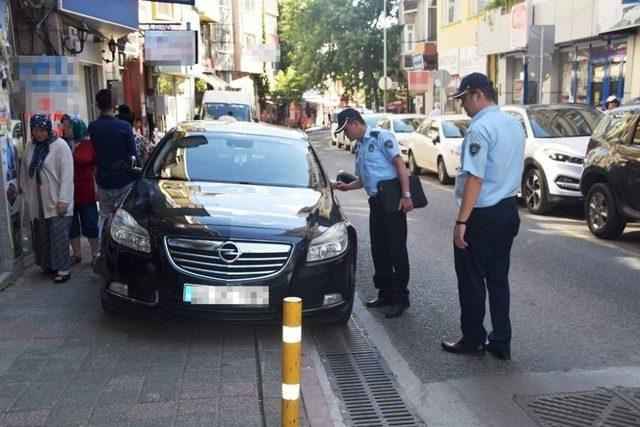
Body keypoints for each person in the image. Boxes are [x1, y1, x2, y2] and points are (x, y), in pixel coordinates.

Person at [441, 73, 525, 361]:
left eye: (463, 98)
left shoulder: (480, 129)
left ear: (478, 94)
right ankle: (501, 341)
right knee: (498, 279)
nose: (462, 105)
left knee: (472, 279)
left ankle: (474, 338)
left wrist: (461, 222)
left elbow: (475, 179)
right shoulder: (513, 124)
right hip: (508, 210)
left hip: (482, 215)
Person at [333, 108, 413, 318]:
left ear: (353, 123)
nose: (345, 135)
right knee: (379, 249)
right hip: (376, 203)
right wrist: (346, 187)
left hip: (393, 202)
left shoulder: (381, 137)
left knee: (396, 250)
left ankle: (401, 298)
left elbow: (400, 165)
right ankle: (385, 293)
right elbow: (363, 179)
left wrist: (406, 195)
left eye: (345, 130)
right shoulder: (359, 147)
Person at [21, 114, 74, 283]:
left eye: (42, 130)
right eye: (35, 130)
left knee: (58, 233)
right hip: (38, 199)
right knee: (42, 233)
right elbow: (24, 172)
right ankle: (48, 265)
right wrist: (26, 193)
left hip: (57, 198)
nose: (38, 134)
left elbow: (67, 175)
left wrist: (63, 199)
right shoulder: (30, 146)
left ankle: (63, 269)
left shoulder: (60, 146)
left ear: (48, 129)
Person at [88, 89, 137, 247]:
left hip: (103, 180)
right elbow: (132, 156)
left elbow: (93, 154)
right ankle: (124, 249)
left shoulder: (93, 127)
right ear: (114, 105)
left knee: (103, 216)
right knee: (125, 218)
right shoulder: (124, 126)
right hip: (124, 181)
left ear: (98, 105)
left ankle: (101, 250)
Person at [64, 115, 99, 267]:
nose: (66, 131)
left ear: (78, 128)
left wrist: (97, 186)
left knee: (90, 222)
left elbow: (96, 168)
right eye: (65, 128)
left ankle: (95, 254)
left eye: (70, 128)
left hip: (86, 190)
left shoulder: (90, 145)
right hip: (68, 191)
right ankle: (77, 253)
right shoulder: (63, 144)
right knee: (71, 223)